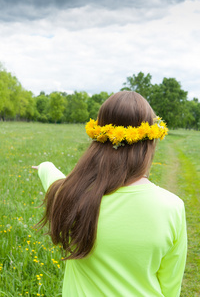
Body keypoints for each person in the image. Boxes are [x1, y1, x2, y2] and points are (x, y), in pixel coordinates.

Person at [32, 91, 187, 297]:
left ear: (98, 141)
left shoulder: (70, 195)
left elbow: (53, 180)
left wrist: (45, 165)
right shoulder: (172, 207)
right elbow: (171, 286)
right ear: (150, 143)